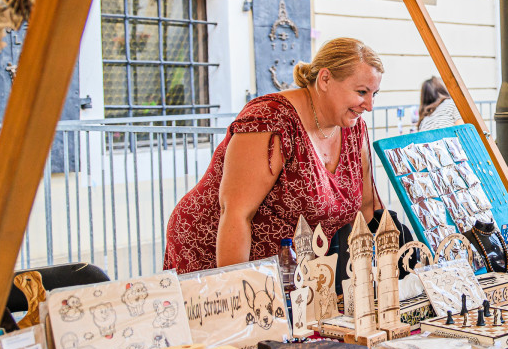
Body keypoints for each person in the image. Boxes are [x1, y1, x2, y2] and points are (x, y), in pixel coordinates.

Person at [164, 38, 383, 273]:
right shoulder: (270, 120)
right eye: (361, 92)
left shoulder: (353, 127)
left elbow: (366, 206)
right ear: (325, 79)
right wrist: (239, 293)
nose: (369, 105)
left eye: (375, 94)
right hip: (212, 253)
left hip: (291, 269)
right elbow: (236, 215)